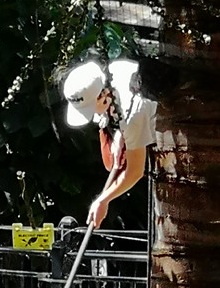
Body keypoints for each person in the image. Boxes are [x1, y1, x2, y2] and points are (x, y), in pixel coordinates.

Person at [62, 58, 156, 229]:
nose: (93, 116)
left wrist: (102, 201)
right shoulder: (111, 73)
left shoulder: (132, 114)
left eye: (91, 108)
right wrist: (120, 134)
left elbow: (135, 172)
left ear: (103, 96)